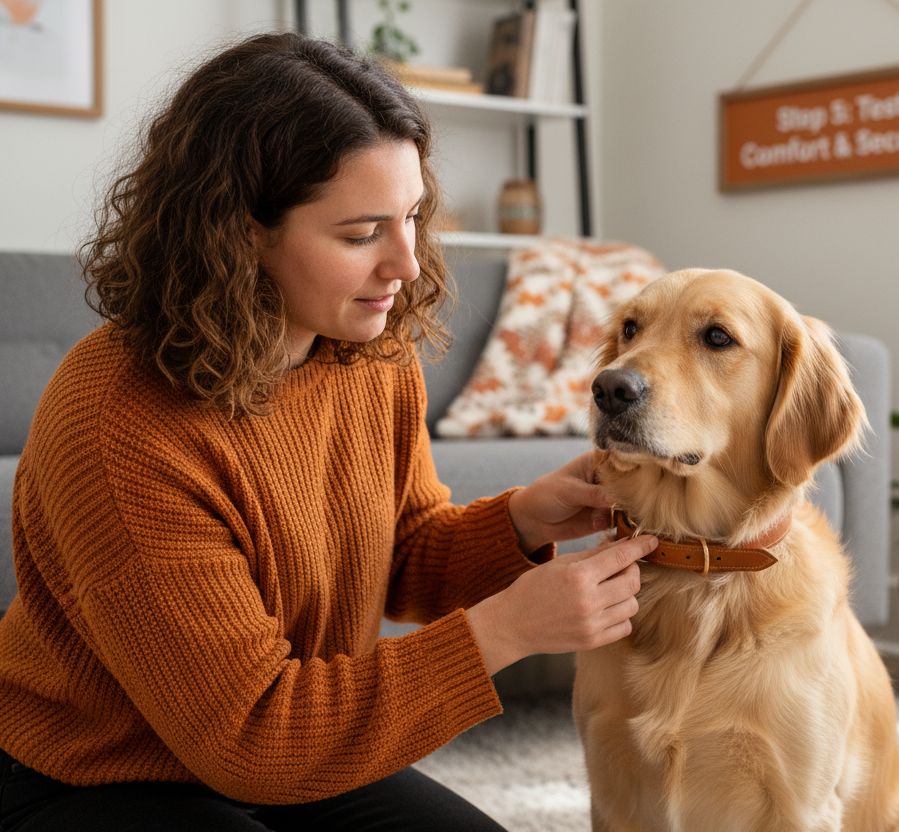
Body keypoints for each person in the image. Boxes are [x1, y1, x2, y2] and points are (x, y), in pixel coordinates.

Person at [0, 31, 656, 831]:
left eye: (412, 217)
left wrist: (520, 521)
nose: (408, 265)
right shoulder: (119, 427)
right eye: (360, 234)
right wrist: (507, 630)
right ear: (239, 232)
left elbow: (402, 551)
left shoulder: (369, 354)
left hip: (290, 747)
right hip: (92, 774)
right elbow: (249, 735)